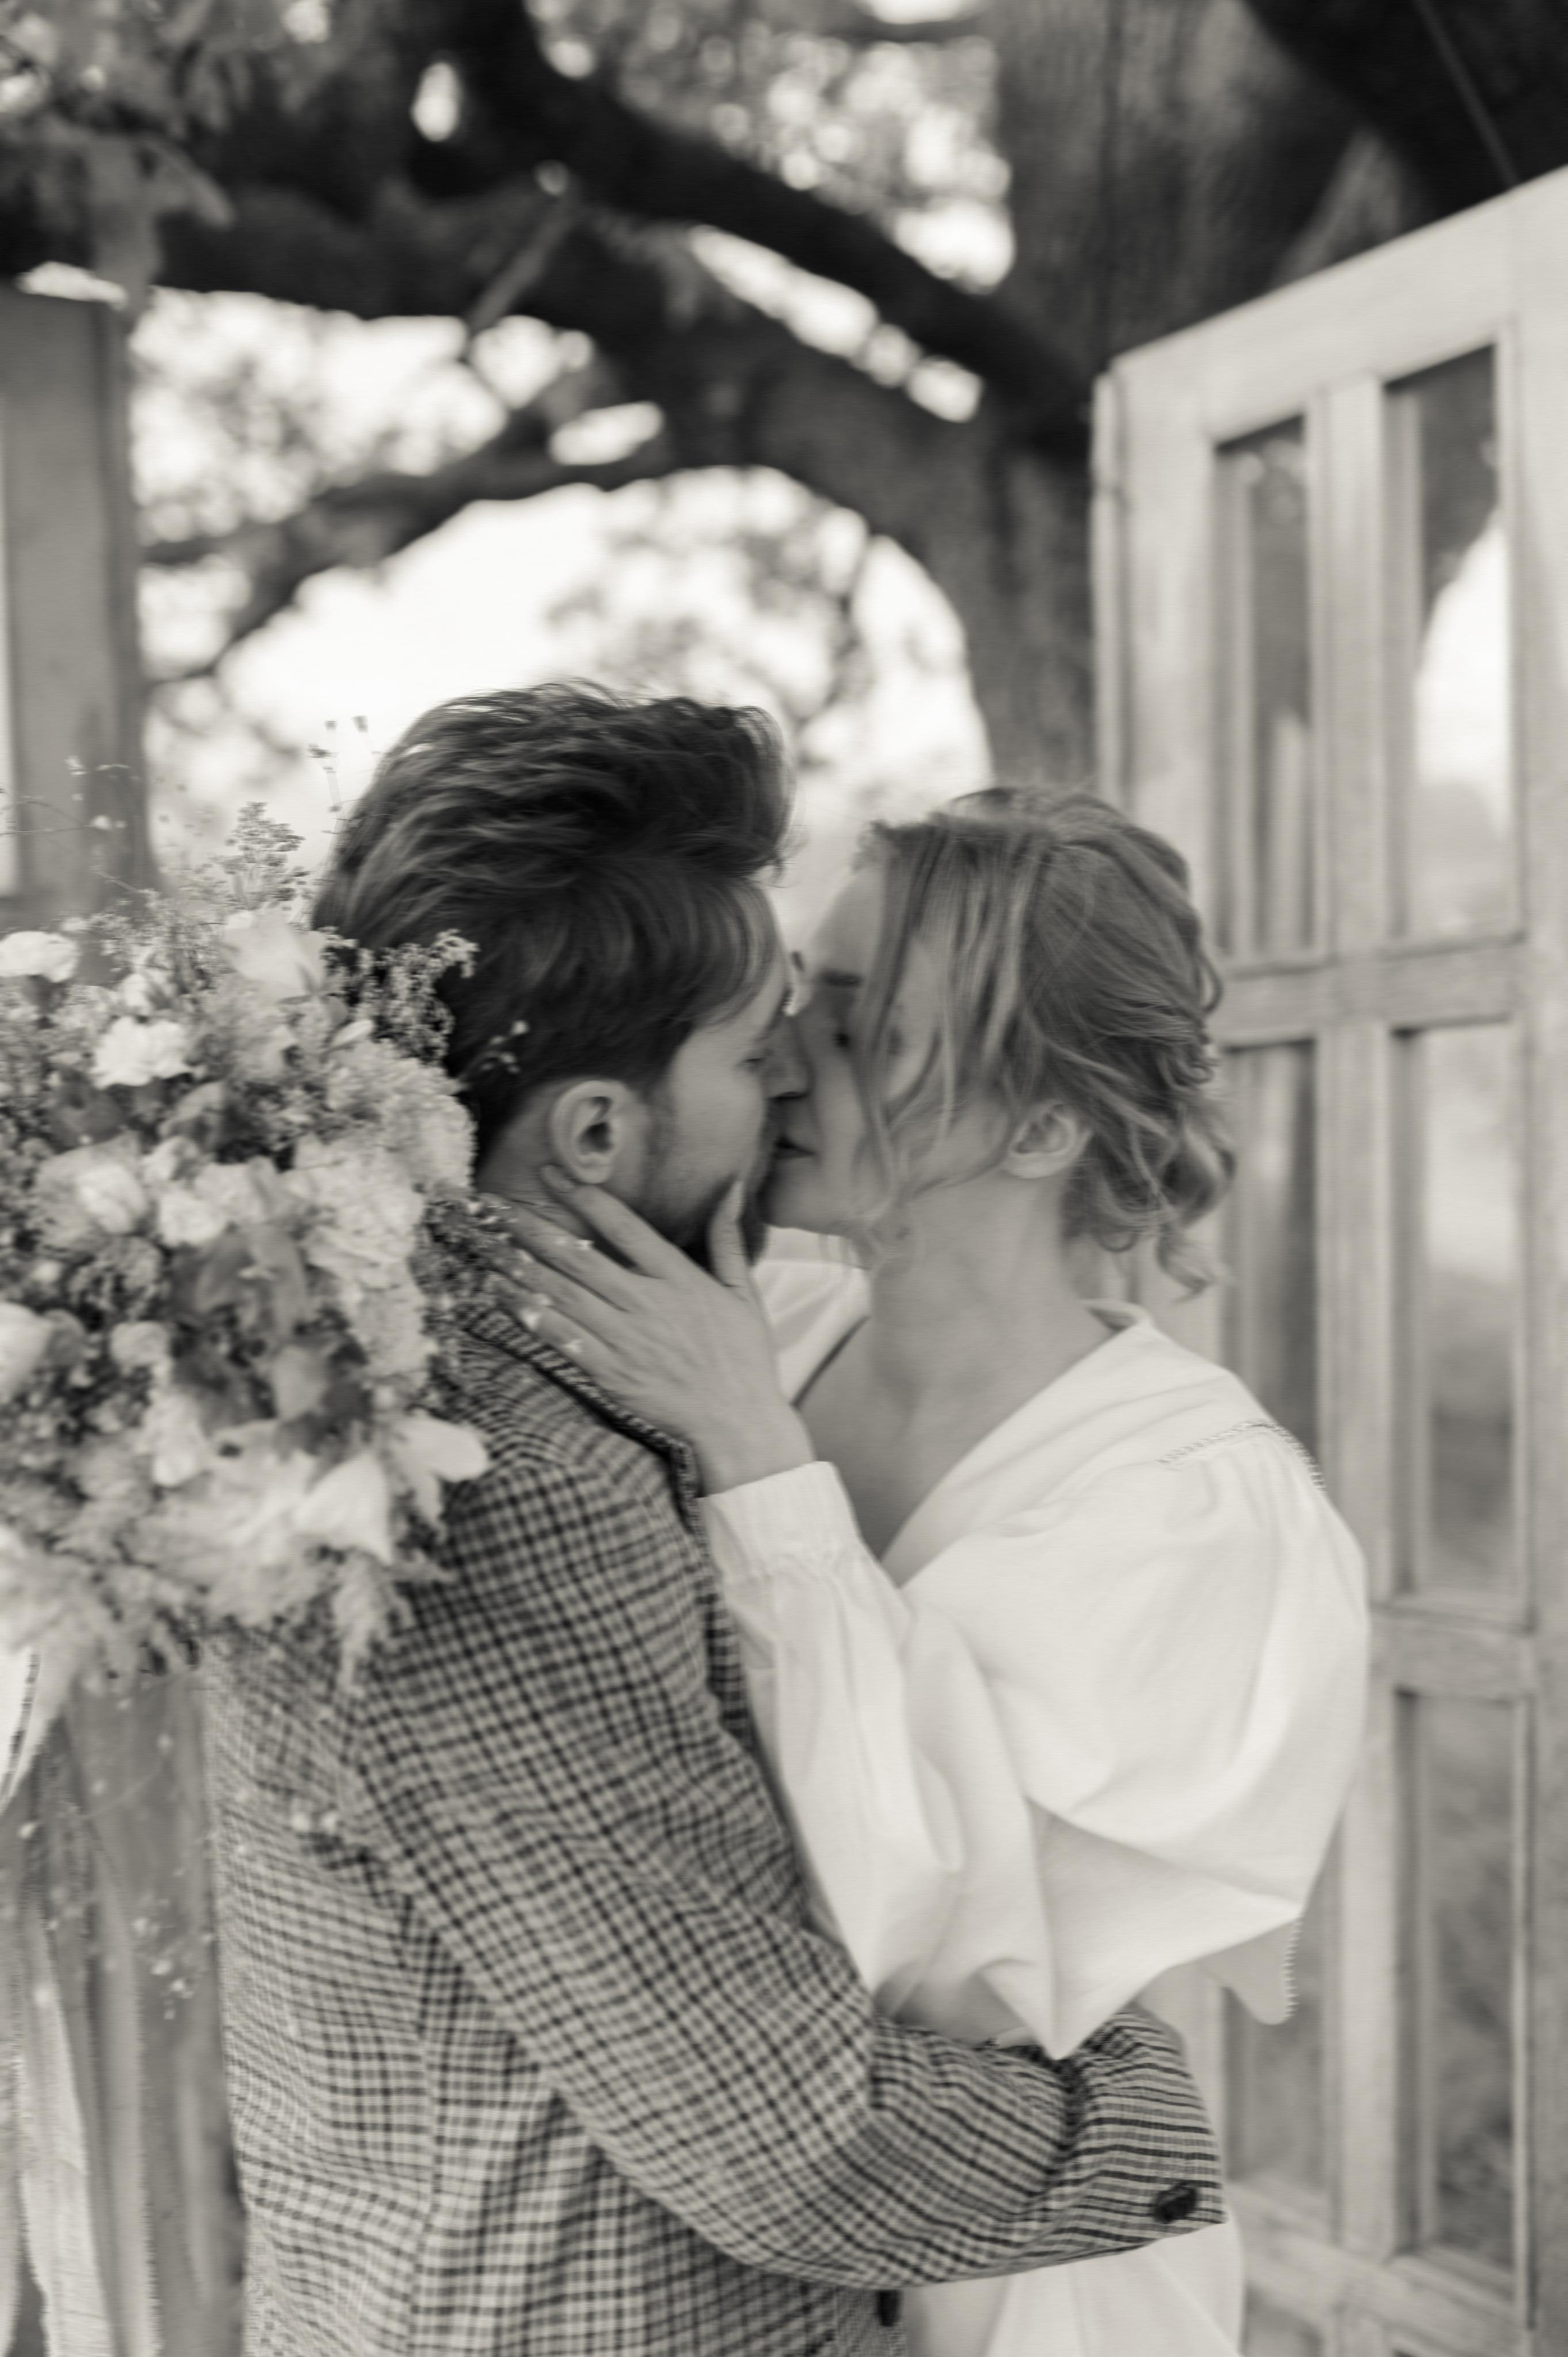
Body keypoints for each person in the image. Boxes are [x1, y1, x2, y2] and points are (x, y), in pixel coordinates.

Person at [202, 694, 1225, 2357]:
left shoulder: (369, 1361)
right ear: (600, 1134)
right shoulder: (499, 1486)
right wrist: (1150, 2141)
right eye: (762, 1048)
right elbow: (787, 2136)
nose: (799, 1080)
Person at [499, 788, 1370, 2357]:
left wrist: (763, 1473)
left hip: (1017, 2285)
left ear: (1043, 1128)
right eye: (800, 1001)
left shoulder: (1193, 1508)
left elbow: (945, 1962)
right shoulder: (758, 1339)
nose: (786, 1060)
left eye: (869, 1029)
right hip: (728, 2265)